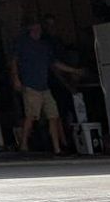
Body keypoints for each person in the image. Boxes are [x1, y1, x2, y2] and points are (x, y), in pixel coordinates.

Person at [10, 17, 77, 154]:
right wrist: (16, 78)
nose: (37, 31)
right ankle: (23, 144)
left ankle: (57, 148)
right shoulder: (23, 43)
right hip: (30, 86)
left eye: (39, 28)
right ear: (29, 29)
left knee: (53, 116)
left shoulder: (44, 46)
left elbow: (54, 63)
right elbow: (14, 61)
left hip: (44, 87)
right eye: (35, 28)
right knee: (31, 116)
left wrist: (73, 70)